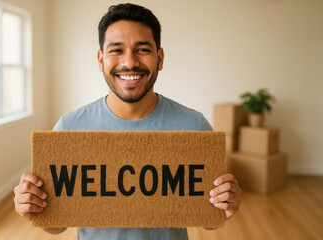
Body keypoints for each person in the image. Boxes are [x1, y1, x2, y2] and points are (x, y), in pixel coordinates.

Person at [13, 3, 242, 240]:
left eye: (142, 49)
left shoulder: (195, 127)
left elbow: (209, 220)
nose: (130, 62)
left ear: (160, 58)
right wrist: (34, 208)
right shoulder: (69, 128)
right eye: (116, 50)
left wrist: (225, 206)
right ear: (101, 59)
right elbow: (57, 226)